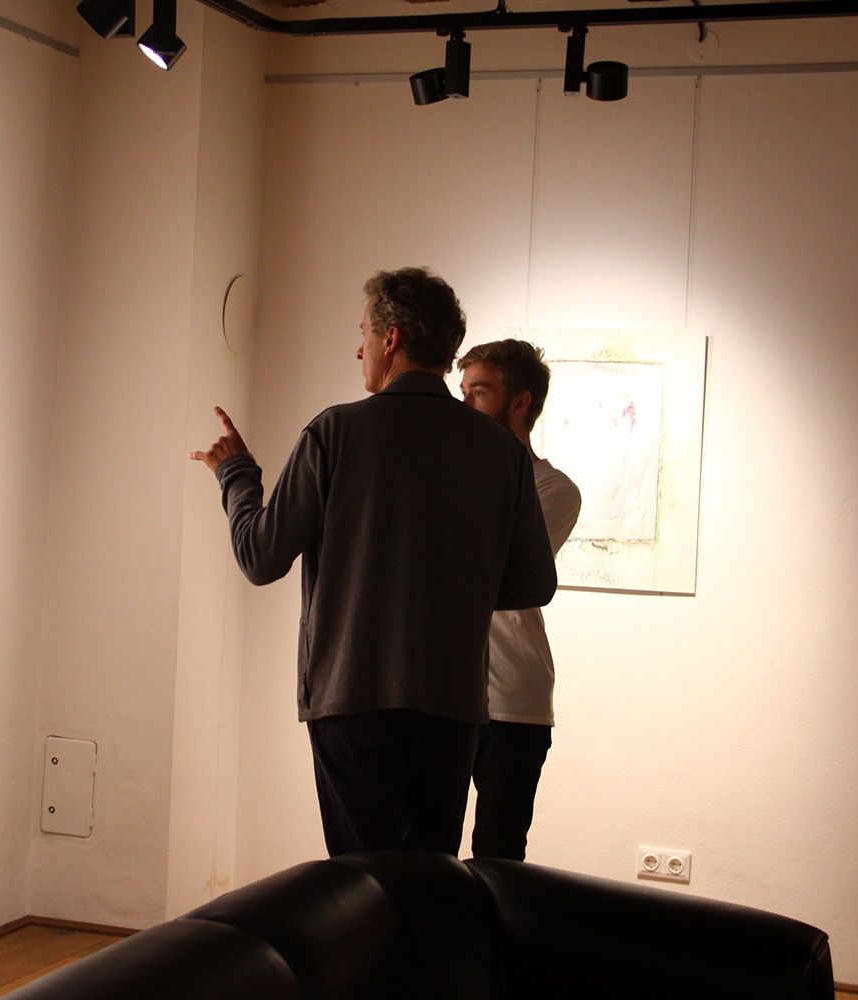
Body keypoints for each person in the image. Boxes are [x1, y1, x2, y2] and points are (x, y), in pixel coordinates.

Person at [190, 267, 557, 857]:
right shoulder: (499, 451)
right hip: (451, 703)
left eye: (364, 332)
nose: (359, 348)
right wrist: (452, 583)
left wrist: (235, 472)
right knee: (429, 876)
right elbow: (533, 581)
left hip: (352, 695)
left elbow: (260, 556)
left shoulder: (336, 432)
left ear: (391, 339)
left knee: (363, 878)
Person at [458, 339, 582, 862]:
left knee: (499, 856)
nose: (465, 404)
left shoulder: (553, 489)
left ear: (520, 401)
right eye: (463, 391)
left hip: (512, 697)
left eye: (479, 392)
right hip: (444, 692)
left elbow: (491, 569)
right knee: (419, 851)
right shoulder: (449, 478)